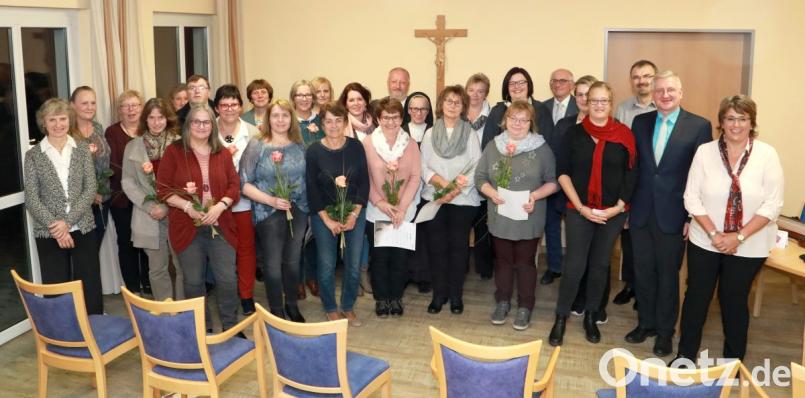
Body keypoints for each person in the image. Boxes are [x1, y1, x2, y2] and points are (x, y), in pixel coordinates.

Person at [671, 95, 783, 365]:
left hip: (750, 244)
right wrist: (714, 235)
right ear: (721, 122)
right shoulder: (705, 152)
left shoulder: (767, 154)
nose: (736, 124)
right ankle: (685, 356)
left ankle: (733, 363)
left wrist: (739, 236)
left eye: (742, 118)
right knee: (697, 296)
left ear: (751, 122)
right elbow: (691, 198)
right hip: (704, 239)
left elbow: (773, 204)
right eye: (730, 118)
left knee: (733, 299)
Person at [625, 71, 712, 357]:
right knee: (643, 273)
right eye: (659, 89)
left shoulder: (699, 126)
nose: (664, 95)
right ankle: (645, 323)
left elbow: (702, 178)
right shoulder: (640, 122)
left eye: (670, 90)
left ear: (681, 92)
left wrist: (691, 217)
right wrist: (626, 206)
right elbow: (634, 168)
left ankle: (664, 332)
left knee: (667, 276)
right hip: (640, 213)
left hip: (674, 215)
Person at [548, 81, 637, 347]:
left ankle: (590, 315)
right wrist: (583, 207)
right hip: (579, 209)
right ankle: (561, 317)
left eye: (604, 101)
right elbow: (562, 173)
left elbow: (632, 174)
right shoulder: (573, 134)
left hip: (613, 212)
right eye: (593, 100)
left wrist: (617, 208)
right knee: (574, 265)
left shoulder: (624, 134)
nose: (598, 105)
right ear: (585, 103)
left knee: (599, 266)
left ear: (611, 103)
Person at [157, 105, 241, 332]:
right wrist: (187, 207)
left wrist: (221, 206)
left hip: (220, 225)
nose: (202, 126)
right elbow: (162, 189)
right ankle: (200, 328)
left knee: (227, 279)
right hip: (187, 227)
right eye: (197, 122)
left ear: (212, 126)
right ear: (188, 125)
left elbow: (234, 186)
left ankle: (231, 326)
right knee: (193, 282)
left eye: (206, 122)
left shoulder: (221, 152)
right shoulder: (174, 152)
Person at [475, 100, 557, 331]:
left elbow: (553, 182)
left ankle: (525, 307)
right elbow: (480, 178)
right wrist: (491, 193)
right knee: (502, 262)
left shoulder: (541, 148)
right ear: (505, 121)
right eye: (513, 119)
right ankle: (502, 302)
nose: (518, 124)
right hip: (500, 214)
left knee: (524, 264)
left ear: (531, 123)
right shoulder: (494, 146)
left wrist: (534, 196)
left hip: (529, 216)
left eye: (523, 120)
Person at [24, 98, 103, 314]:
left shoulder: (82, 150)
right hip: (49, 232)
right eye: (52, 119)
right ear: (44, 122)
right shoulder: (33, 156)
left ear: (69, 120)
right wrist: (56, 227)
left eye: (62, 119)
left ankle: (94, 327)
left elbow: (90, 189)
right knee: (55, 285)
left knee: (89, 283)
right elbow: (32, 198)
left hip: (83, 226)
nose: (58, 124)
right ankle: (62, 335)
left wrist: (67, 223)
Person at [241, 99, 308, 322]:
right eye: (276, 116)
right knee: (272, 264)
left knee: (292, 260)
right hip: (267, 211)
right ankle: (277, 309)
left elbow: (304, 178)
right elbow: (244, 183)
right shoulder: (257, 145)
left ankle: (291, 304)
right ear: (268, 119)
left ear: (292, 118)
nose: (280, 120)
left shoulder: (299, 144)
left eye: (285, 115)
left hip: (297, 209)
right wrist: (271, 200)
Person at [420, 85, 482, 315]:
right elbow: (423, 166)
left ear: (463, 107)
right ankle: (439, 295)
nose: (453, 106)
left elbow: (477, 165)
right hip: (435, 198)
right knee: (436, 249)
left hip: (463, 200)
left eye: (457, 102)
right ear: (441, 105)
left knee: (458, 250)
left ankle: (456, 295)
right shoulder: (429, 133)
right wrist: (443, 186)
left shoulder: (470, 133)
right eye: (449, 101)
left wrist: (455, 189)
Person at [306, 102, 369, 326]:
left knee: (353, 264)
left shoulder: (355, 146)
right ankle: (330, 307)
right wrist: (327, 219)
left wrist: (353, 215)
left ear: (345, 122)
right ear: (321, 124)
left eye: (338, 120)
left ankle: (348, 306)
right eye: (328, 121)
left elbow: (363, 184)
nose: (333, 125)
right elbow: (312, 189)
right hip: (324, 215)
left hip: (354, 211)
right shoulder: (313, 151)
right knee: (327, 264)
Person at [121, 98, 184, 301]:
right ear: (145, 120)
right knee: (157, 268)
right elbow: (128, 182)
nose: (156, 122)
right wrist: (150, 206)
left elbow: (187, 180)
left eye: (161, 117)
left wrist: (166, 205)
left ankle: (184, 309)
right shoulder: (133, 147)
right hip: (148, 215)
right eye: (152, 118)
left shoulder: (179, 143)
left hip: (177, 212)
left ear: (168, 119)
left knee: (182, 266)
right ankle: (165, 311)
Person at [363, 97, 421, 317]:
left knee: (400, 258)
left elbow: (415, 177)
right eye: (385, 117)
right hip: (377, 210)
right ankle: (381, 298)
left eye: (395, 117)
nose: (390, 121)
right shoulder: (368, 143)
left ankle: (396, 298)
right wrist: (381, 203)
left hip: (404, 213)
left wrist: (402, 208)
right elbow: (365, 178)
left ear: (401, 118)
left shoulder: (411, 144)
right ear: (378, 118)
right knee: (380, 259)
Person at [612, 59, 659, 307]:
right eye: (637, 77)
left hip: (654, 185)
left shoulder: (662, 107)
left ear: (655, 78)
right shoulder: (622, 109)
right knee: (629, 239)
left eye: (647, 76)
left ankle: (645, 289)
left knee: (651, 240)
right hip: (630, 183)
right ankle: (630, 284)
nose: (641, 81)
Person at [553, 75, 599, 316]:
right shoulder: (565, 125)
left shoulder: (608, 126)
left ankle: (594, 305)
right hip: (571, 199)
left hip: (601, 203)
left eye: (588, 94)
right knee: (575, 254)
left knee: (597, 258)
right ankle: (575, 299)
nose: (583, 99)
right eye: (579, 94)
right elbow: (560, 162)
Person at [214, 84, 260, 315]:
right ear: (217, 108)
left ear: (241, 107)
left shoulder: (253, 132)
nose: (229, 108)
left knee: (245, 249)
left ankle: (246, 295)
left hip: (243, 202)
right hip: (214, 203)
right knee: (220, 250)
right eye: (224, 104)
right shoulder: (206, 129)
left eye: (234, 104)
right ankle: (225, 295)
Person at [106, 90, 150, 295]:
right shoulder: (112, 132)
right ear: (119, 110)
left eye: (135, 105)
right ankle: (132, 288)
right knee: (126, 242)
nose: (131, 110)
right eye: (126, 106)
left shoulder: (149, 130)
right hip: (121, 197)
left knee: (148, 241)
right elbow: (113, 165)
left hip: (148, 197)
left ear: (142, 108)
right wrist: (133, 181)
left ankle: (148, 283)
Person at [539, 68, 579, 285]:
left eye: (563, 80)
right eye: (553, 80)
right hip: (548, 177)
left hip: (573, 178)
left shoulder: (580, 105)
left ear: (571, 84)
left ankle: (574, 269)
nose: (557, 84)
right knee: (550, 224)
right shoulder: (542, 107)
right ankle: (554, 267)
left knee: (575, 227)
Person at [69, 86, 111, 251]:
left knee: (96, 248)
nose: (90, 107)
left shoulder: (98, 127)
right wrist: (90, 193)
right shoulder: (68, 134)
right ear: (72, 105)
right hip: (80, 204)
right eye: (84, 103)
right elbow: (68, 171)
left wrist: (100, 191)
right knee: (83, 252)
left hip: (103, 200)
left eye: (93, 103)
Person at [401, 90, 434, 293]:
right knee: (404, 232)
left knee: (424, 234)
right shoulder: (400, 130)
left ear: (429, 111)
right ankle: (404, 274)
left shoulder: (435, 131)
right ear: (408, 110)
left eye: (423, 109)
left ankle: (423, 275)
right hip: (404, 190)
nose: (418, 113)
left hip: (427, 190)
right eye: (414, 108)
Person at [465, 73, 495, 280]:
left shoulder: (494, 116)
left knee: (483, 225)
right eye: (471, 90)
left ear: (486, 94)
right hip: (462, 177)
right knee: (462, 224)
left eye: (480, 91)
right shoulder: (458, 114)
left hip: (485, 175)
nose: (475, 95)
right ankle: (461, 266)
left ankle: (485, 267)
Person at [481, 67, 544, 151]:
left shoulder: (541, 110)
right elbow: (487, 145)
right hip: (502, 162)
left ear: (528, 85)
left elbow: (546, 143)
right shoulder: (497, 111)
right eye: (512, 83)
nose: (516, 86)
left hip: (534, 161)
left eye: (521, 82)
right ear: (507, 87)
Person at [291, 80, 323, 148]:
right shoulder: (287, 122)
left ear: (313, 98)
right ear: (293, 98)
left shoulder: (322, 121)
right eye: (299, 95)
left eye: (308, 95)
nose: (304, 99)